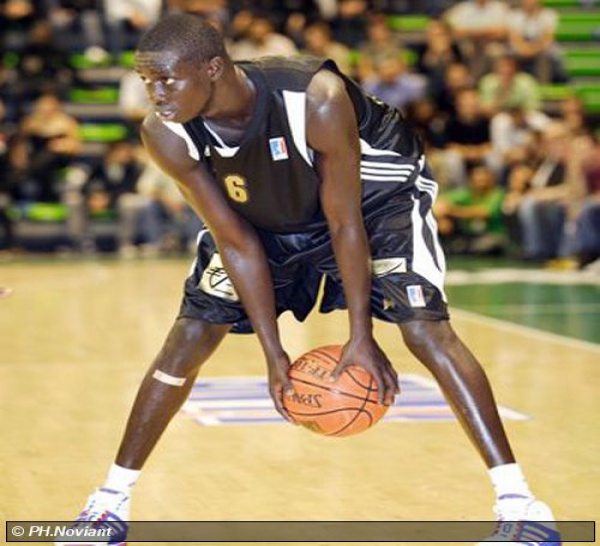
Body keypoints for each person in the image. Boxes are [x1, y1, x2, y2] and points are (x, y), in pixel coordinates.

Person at [57, 14, 561, 546]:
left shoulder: (314, 97)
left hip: (376, 202)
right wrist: (272, 352)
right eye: (146, 82)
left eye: (167, 80)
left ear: (212, 68)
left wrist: (361, 336)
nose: (154, 94)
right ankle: (109, 506)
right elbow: (236, 243)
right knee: (188, 337)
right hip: (266, 213)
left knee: (423, 328)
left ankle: (522, 504)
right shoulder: (165, 133)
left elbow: (344, 222)